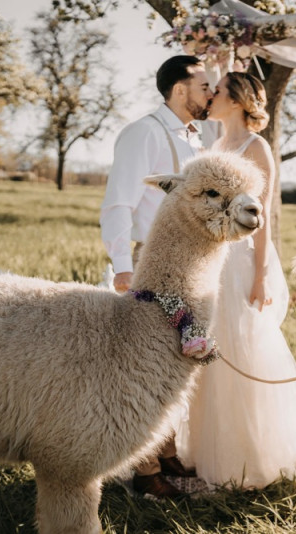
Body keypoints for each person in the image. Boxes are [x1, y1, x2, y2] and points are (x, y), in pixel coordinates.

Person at [177, 72, 296, 489]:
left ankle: (247, 457)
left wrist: (259, 276)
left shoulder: (256, 147)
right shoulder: (215, 143)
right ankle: (205, 448)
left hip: (242, 261)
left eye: (219, 91)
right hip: (211, 258)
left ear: (239, 100)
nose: (212, 96)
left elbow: (260, 220)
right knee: (208, 352)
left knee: (240, 348)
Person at [100, 55, 213, 499]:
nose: (211, 92)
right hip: (148, 266)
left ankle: (165, 455)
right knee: (145, 367)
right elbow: (118, 204)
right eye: (205, 84)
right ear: (179, 89)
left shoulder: (194, 138)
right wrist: (124, 266)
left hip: (186, 266)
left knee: (172, 363)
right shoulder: (143, 132)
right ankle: (144, 473)